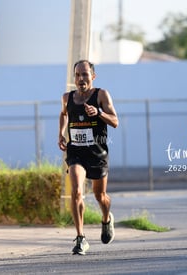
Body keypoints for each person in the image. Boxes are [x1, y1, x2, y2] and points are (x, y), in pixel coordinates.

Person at [58, 60, 119, 255]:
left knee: (100, 196)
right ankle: (80, 238)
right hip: (76, 152)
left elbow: (115, 121)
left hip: (97, 152)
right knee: (76, 190)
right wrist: (61, 134)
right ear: (74, 77)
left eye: (85, 74)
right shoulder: (67, 97)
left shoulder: (101, 94)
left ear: (93, 76)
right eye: (77, 75)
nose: (81, 78)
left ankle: (106, 218)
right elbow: (63, 114)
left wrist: (99, 113)